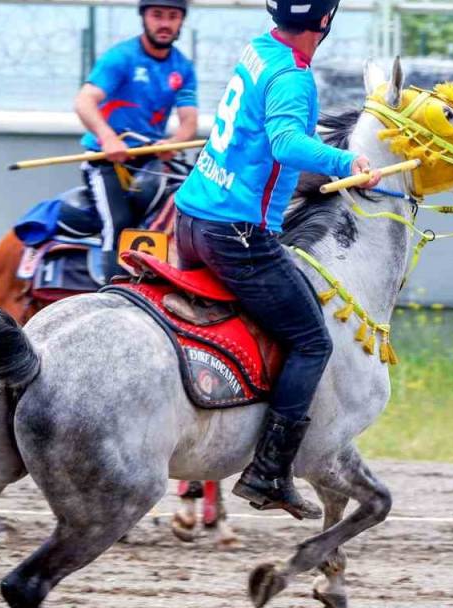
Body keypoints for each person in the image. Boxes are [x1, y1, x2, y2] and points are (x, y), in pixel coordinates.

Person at [171, 0, 381, 519]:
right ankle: (267, 471)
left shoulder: (259, 49)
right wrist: (346, 160)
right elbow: (287, 143)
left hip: (191, 220)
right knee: (312, 340)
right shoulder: (293, 76)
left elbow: (262, 140)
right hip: (234, 235)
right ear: (326, 22)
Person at [73, 0, 198, 280]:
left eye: (172, 16)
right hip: (105, 161)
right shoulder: (121, 57)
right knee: (117, 224)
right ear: (144, 18)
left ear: (181, 21)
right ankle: (109, 293)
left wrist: (174, 142)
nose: (164, 23)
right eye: (157, 15)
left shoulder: (183, 67)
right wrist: (107, 138)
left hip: (150, 162)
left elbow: (189, 122)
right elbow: (84, 101)